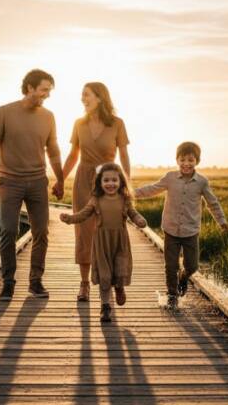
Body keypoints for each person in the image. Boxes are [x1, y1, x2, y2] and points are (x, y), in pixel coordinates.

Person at [0, 68, 65, 301]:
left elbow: (54, 150)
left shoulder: (48, 116)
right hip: (10, 181)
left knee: (41, 232)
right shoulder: (5, 112)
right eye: (44, 90)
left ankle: (35, 281)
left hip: (38, 182)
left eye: (49, 91)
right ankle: (8, 282)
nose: (47, 95)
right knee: (8, 230)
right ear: (29, 88)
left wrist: (59, 179)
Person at [134, 142, 228, 308]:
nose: (186, 163)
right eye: (183, 159)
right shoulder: (170, 177)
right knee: (171, 265)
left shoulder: (202, 182)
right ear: (177, 160)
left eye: (190, 160)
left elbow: (212, 203)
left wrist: (222, 222)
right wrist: (131, 193)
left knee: (192, 266)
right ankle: (172, 295)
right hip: (171, 229)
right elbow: (153, 189)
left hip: (191, 231)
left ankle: (184, 278)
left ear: (197, 161)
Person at [61, 82, 130, 302]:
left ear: (100, 97)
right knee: (84, 233)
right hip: (83, 179)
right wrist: (60, 179)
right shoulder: (79, 124)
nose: (82, 98)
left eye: (86, 95)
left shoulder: (117, 123)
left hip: (109, 179)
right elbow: (73, 155)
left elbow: (124, 155)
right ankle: (84, 284)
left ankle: (115, 281)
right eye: (82, 95)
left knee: (110, 229)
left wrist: (125, 184)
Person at [60, 163, 146, 323]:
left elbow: (133, 213)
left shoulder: (125, 199)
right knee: (105, 275)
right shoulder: (95, 200)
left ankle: (119, 286)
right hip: (101, 244)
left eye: (114, 180)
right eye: (106, 180)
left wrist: (139, 220)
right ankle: (105, 306)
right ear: (100, 182)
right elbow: (83, 214)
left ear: (121, 181)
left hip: (120, 243)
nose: (110, 183)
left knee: (120, 269)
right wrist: (70, 219)